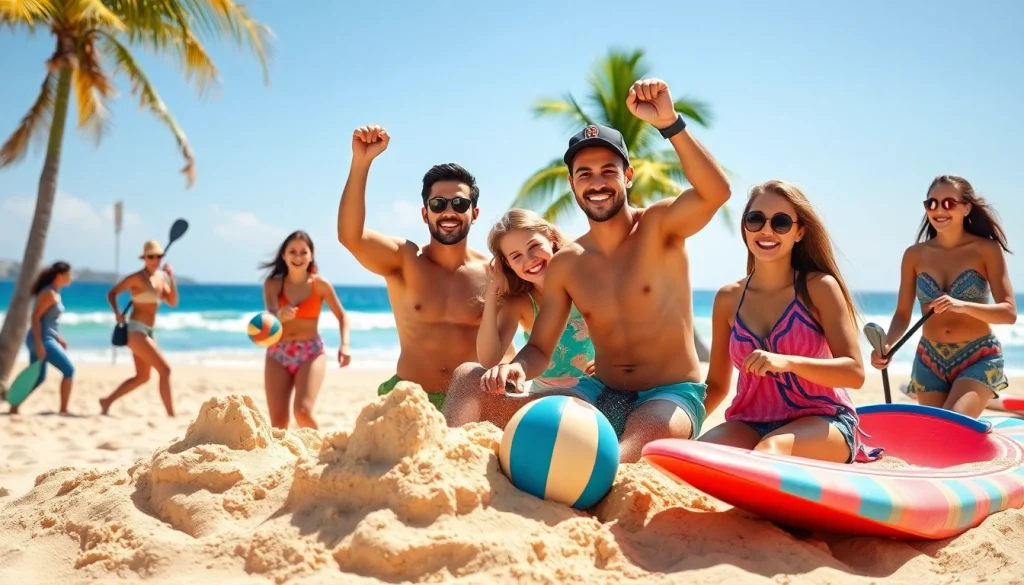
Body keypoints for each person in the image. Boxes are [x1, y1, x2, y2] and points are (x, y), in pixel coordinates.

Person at [479, 78, 731, 463]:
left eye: (607, 171)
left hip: (670, 396)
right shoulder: (568, 262)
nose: (596, 183)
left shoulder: (660, 226)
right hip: (598, 392)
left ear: (627, 176)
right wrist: (515, 368)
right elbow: (540, 347)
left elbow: (716, 192)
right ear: (572, 184)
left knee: (635, 446)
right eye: (585, 174)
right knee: (471, 386)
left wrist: (670, 122)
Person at [698, 180, 882, 464]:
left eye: (781, 222)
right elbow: (718, 385)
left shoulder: (819, 287)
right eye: (756, 219)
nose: (767, 230)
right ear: (745, 227)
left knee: (769, 454)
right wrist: (685, 424)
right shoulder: (728, 298)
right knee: (696, 456)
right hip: (751, 423)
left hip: (824, 420)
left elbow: (854, 372)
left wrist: (786, 361)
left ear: (799, 232)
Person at [337, 125, 502, 411]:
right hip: (410, 400)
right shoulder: (405, 260)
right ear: (425, 213)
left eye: (459, 203)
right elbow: (350, 236)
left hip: (471, 402)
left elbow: (513, 335)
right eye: (438, 203)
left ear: (474, 213)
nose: (448, 211)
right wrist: (361, 161)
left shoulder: (494, 272)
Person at [870, 175, 1015, 418]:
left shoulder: (986, 250)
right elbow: (903, 314)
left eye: (948, 203)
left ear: (966, 207)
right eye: (932, 203)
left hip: (978, 357)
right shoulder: (914, 255)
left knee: (952, 427)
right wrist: (887, 346)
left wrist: (961, 305)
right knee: (933, 435)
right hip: (929, 359)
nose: (938, 210)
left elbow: (1008, 313)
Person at [443, 209, 596, 427]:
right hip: (540, 396)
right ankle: (450, 449)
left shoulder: (587, 285)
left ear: (551, 238)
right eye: (516, 256)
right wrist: (493, 290)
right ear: (508, 265)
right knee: (467, 373)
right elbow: (488, 359)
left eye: (534, 246)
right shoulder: (522, 303)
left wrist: (610, 360)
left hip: (590, 396)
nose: (530, 259)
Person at [260, 230, 351, 429]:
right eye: (292, 251)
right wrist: (279, 315)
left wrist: (344, 345)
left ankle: (322, 452)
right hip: (277, 353)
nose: (298, 257)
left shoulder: (320, 285)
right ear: (283, 255)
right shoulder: (273, 284)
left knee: (302, 411)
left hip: (310, 352)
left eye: (303, 252)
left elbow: (343, 316)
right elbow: (271, 315)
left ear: (311, 256)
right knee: (279, 424)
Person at [100, 240, 178, 416]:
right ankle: (171, 415)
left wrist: (171, 277)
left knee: (142, 377)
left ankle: (106, 401)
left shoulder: (160, 278)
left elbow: (172, 302)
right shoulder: (136, 278)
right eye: (151, 256)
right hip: (135, 330)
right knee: (165, 370)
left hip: (149, 331)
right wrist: (117, 313)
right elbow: (112, 293)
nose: (155, 259)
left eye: (158, 256)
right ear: (144, 258)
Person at [11, 261, 75, 415]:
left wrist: (58, 337)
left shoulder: (53, 292)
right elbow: (35, 317)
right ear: (60, 275)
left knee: (39, 377)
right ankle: (64, 409)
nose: (71, 278)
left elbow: (48, 320)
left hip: (44, 339)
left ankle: (14, 406)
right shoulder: (49, 294)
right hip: (43, 340)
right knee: (69, 370)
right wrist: (40, 344)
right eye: (69, 275)